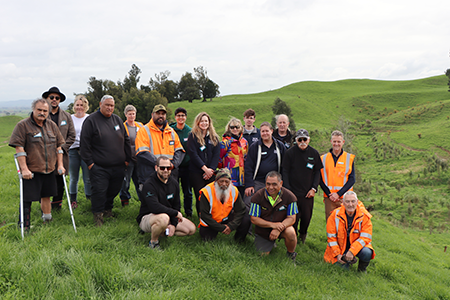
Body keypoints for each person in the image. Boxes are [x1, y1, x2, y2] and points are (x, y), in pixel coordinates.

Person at [9, 98, 65, 229]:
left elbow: (59, 148)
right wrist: (24, 169)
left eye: (45, 111)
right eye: (39, 110)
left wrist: (60, 165)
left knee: (47, 196)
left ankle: (47, 220)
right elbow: (19, 148)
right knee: (27, 199)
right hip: (31, 170)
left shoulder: (52, 126)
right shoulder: (23, 125)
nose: (42, 113)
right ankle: (24, 226)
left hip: (49, 169)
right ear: (33, 109)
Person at [80, 95, 132, 226]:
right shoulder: (91, 120)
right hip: (99, 166)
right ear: (100, 104)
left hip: (118, 166)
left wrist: (127, 159)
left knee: (114, 189)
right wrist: (91, 164)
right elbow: (84, 145)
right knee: (99, 191)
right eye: (107, 105)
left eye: (112, 106)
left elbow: (126, 139)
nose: (110, 108)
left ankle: (108, 210)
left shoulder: (117, 120)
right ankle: (98, 216)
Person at [137, 156, 196, 250]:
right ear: (156, 168)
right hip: (149, 217)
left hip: (168, 217)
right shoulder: (149, 184)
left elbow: (176, 205)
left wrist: (173, 224)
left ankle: (162, 231)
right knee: (164, 218)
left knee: (191, 229)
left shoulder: (174, 183)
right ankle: (153, 242)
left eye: (168, 168)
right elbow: (154, 207)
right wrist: (175, 214)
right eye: (162, 168)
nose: (165, 170)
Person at [282, 129, 323, 243]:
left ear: (309, 140)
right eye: (300, 139)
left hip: (307, 193)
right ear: (296, 140)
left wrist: (314, 188)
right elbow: (285, 171)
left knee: (306, 217)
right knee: (293, 217)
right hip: (293, 192)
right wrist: (288, 190)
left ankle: (303, 235)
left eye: (305, 139)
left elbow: (318, 173)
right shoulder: (290, 153)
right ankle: (292, 237)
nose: (302, 141)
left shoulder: (314, 153)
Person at [249, 171, 298, 260]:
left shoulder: (290, 197)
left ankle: (291, 254)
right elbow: (254, 219)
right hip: (263, 230)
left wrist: (278, 228)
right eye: (268, 184)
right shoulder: (257, 197)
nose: (271, 187)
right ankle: (269, 243)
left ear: (281, 183)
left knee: (291, 233)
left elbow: (292, 218)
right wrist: (273, 225)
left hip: (282, 228)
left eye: (274, 184)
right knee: (262, 257)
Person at [324, 191, 375, 272]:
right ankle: (346, 260)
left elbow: (365, 238)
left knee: (367, 252)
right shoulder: (334, 215)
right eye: (347, 202)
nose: (350, 204)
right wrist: (337, 254)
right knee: (341, 270)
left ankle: (361, 270)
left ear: (357, 202)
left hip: (356, 247)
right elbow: (331, 238)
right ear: (343, 203)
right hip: (340, 248)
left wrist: (352, 251)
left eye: (353, 201)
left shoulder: (364, 216)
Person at [42, 87, 76, 210]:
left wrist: (61, 148)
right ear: (47, 99)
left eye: (57, 98)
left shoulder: (66, 116)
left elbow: (72, 135)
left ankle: (57, 206)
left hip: (63, 154)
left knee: (60, 182)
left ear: (60, 100)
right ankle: (45, 207)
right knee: (45, 181)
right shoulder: (42, 115)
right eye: (52, 97)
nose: (54, 100)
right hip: (45, 155)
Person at [135, 104, 184, 186]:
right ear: (152, 115)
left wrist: (173, 165)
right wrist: (161, 165)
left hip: (169, 174)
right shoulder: (144, 130)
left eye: (163, 114)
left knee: (170, 197)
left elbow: (179, 151)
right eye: (158, 113)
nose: (161, 116)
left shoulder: (171, 132)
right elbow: (142, 152)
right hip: (150, 173)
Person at [198, 168, 250, 242]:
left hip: (226, 218)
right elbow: (204, 215)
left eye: (227, 182)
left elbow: (241, 210)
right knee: (207, 239)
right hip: (211, 221)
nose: (224, 184)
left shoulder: (234, 190)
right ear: (216, 181)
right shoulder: (206, 191)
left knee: (246, 216)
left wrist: (231, 226)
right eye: (221, 181)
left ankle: (239, 240)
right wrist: (221, 228)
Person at [244, 122, 285, 212]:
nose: (265, 133)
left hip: (274, 183)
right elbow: (248, 166)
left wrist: (282, 183)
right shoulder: (255, 147)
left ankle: (273, 225)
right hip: (258, 182)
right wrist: (249, 185)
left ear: (271, 131)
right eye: (262, 131)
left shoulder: (279, 146)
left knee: (277, 206)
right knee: (248, 203)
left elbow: (284, 166)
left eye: (267, 131)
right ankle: (249, 225)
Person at [187, 112, 220, 217]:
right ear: (198, 122)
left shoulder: (214, 137)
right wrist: (204, 169)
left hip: (211, 172)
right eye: (202, 121)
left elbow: (216, 155)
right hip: (196, 172)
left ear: (209, 122)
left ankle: (212, 217)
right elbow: (193, 154)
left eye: (206, 121)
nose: (204, 123)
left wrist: (211, 170)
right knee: (200, 196)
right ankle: (202, 218)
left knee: (211, 196)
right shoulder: (192, 136)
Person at [319, 130, 355, 220]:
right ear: (331, 142)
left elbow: (352, 179)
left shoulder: (349, 158)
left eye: (339, 141)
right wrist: (329, 194)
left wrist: (338, 194)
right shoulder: (323, 158)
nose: (336, 144)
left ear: (343, 142)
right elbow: (319, 179)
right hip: (329, 198)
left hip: (345, 198)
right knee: (331, 223)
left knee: (345, 223)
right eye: (334, 141)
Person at [68, 95, 91, 209]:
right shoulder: (70, 118)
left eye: (82, 105)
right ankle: (73, 201)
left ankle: (89, 199)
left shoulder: (89, 118)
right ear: (74, 106)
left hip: (86, 151)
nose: (79, 107)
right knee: (73, 178)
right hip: (72, 151)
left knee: (87, 178)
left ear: (85, 106)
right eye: (77, 105)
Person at [170, 107, 193, 217]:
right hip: (173, 166)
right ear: (175, 117)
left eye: (183, 115)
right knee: (173, 190)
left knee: (187, 191)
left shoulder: (189, 131)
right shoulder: (170, 129)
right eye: (178, 115)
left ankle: (188, 212)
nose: (180, 117)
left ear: (186, 117)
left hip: (186, 166)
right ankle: (174, 211)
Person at [119, 104, 144, 207]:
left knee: (139, 180)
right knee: (126, 181)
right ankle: (124, 199)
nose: (132, 116)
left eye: (133, 114)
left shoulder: (140, 126)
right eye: (129, 114)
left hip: (139, 158)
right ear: (125, 115)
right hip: (128, 158)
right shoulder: (122, 127)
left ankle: (143, 199)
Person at [219, 118, 248, 197]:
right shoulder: (224, 143)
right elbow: (219, 159)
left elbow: (247, 158)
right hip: (229, 176)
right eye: (232, 127)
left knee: (241, 200)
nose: (235, 129)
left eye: (237, 127)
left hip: (242, 177)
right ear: (229, 128)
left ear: (241, 128)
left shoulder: (244, 142)